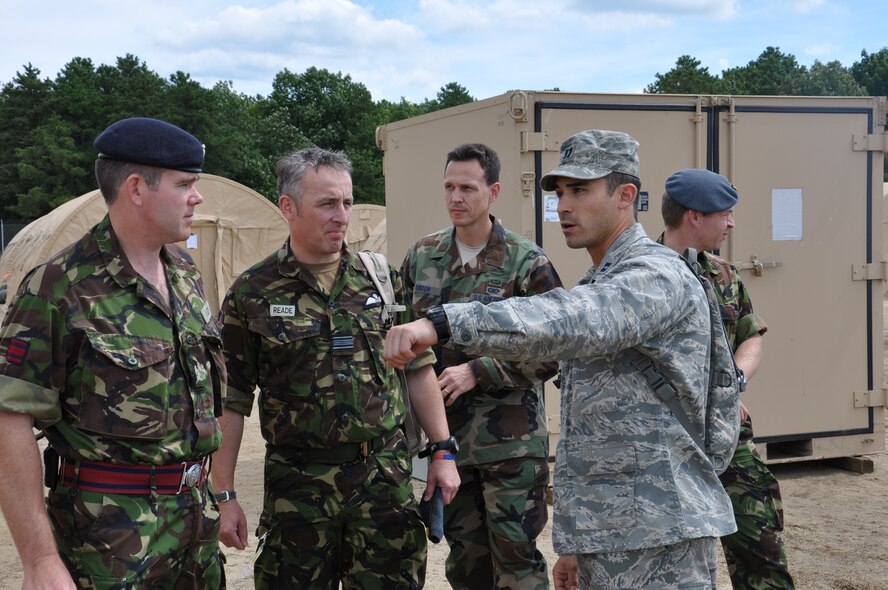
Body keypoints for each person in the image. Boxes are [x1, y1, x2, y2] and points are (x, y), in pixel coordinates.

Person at [384, 129, 737, 590]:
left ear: (625, 195)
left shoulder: (654, 273)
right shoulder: (598, 278)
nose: (564, 205)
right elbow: (583, 429)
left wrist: (444, 322)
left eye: (581, 190)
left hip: (659, 535)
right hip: (611, 534)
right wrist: (573, 543)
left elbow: (570, 320)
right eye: (560, 192)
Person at [211, 147, 460, 589]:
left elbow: (419, 370)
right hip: (298, 488)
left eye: (346, 202)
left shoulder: (381, 280)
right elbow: (230, 402)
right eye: (327, 203)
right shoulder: (253, 292)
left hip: (383, 479)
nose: (342, 215)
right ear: (289, 207)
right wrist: (225, 494)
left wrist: (442, 451)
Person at [0, 117, 226, 589]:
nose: (197, 197)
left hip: (195, 529)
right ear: (137, 189)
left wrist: (219, 496)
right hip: (109, 542)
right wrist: (39, 559)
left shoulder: (184, 274)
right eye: (185, 184)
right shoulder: (59, 287)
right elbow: (9, 417)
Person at [400, 143, 562, 589]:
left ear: (493, 192)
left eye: (467, 188)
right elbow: (403, 338)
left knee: (517, 563)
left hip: (511, 446)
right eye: (449, 186)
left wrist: (480, 370)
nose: (456, 197)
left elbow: (555, 349)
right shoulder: (422, 256)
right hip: (447, 445)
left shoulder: (527, 263)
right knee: (466, 565)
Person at [660, 168, 795, 590]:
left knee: (763, 551)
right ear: (695, 217)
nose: (732, 223)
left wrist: (731, 383)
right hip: (667, 445)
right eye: (726, 214)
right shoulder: (641, 275)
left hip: (729, 436)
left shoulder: (723, 274)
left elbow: (751, 337)